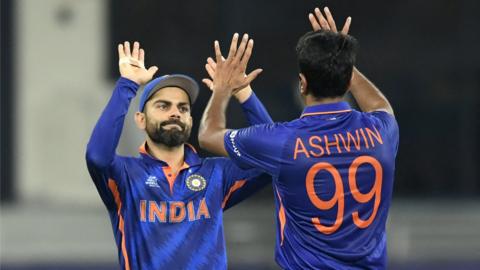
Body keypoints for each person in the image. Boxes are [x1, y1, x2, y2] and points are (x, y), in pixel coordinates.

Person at [198, 7, 399, 269]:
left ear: (302, 84)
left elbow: (208, 135)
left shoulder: (286, 141)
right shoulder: (381, 132)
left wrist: (223, 89)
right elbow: (380, 105)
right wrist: (341, 62)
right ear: (347, 78)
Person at [85, 40, 272, 269]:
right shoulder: (125, 175)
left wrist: (243, 92)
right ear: (140, 120)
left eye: (182, 108)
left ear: (190, 121)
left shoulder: (215, 173)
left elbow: (270, 159)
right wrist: (127, 85)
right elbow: (97, 156)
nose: (175, 113)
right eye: (163, 106)